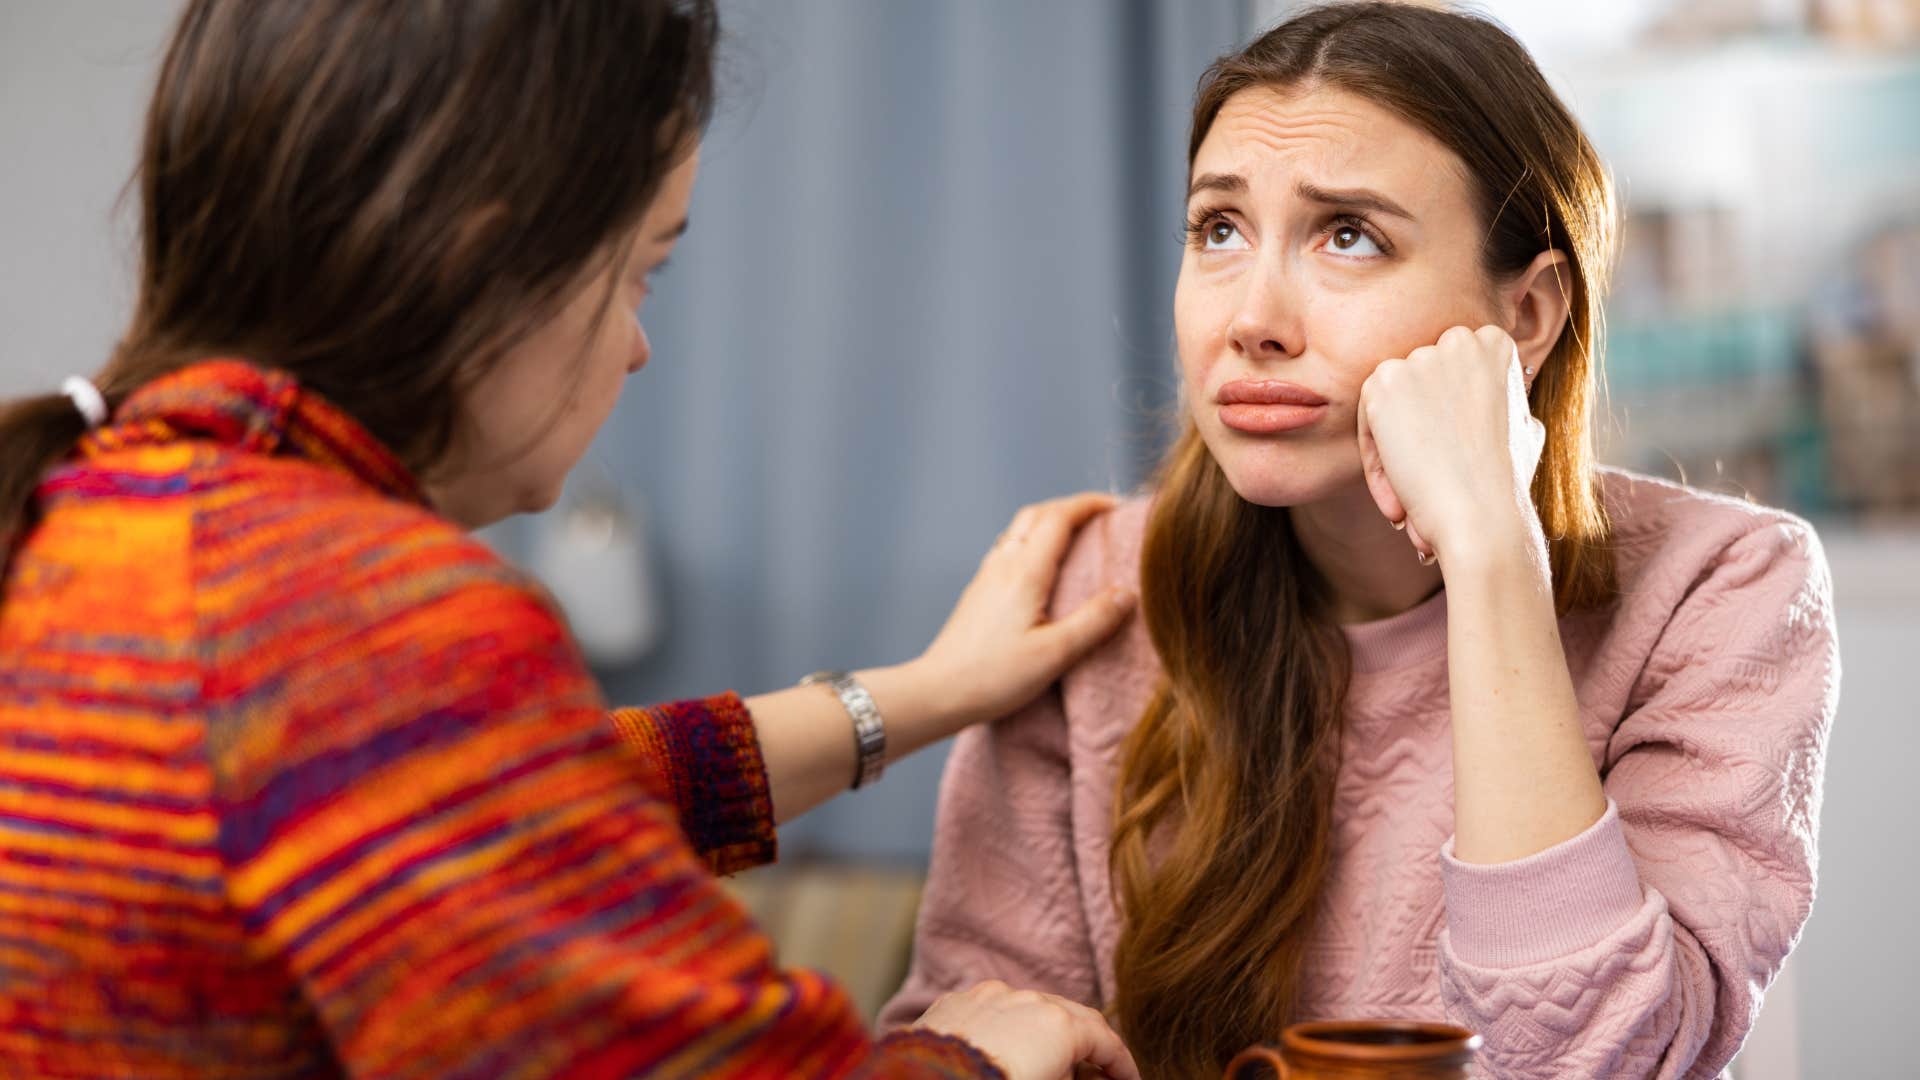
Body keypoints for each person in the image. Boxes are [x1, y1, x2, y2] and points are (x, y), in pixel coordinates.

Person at [0, 2, 1144, 1078]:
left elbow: (528, 788)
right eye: (643, 268)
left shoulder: (105, 528)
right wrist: (970, 1056)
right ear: (486, 257)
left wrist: (928, 692)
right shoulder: (347, 617)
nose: (640, 347)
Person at [881, 5, 1839, 1078]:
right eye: (1219, 229)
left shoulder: (1720, 590)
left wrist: (1489, 555)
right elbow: (968, 1040)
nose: (1252, 317)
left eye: (1349, 236)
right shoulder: (1092, 591)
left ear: (1527, 314)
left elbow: (1602, 1059)